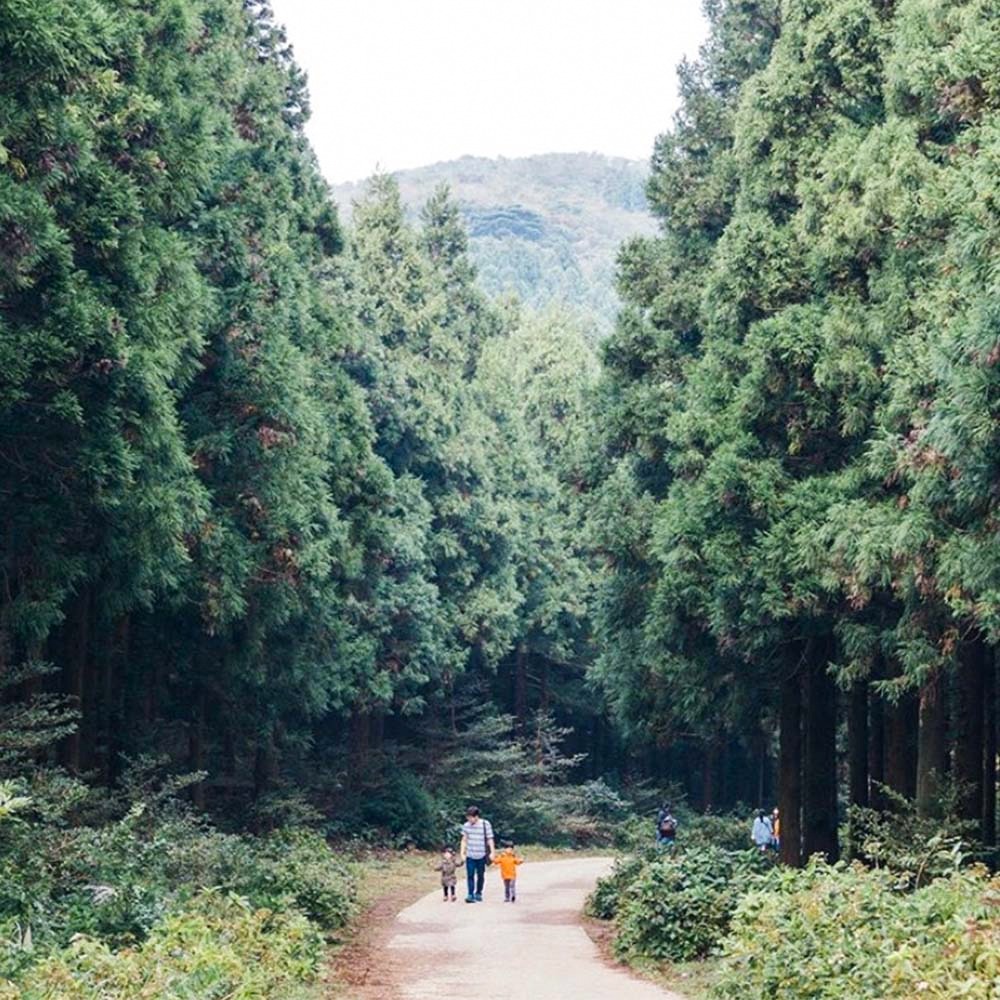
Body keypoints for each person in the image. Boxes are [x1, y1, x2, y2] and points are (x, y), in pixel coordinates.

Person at [459, 805, 495, 902]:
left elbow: (490, 839)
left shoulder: (485, 824)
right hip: (470, 855)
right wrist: (462, 853)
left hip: (482, 855)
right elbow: (464, 840)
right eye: (468, 817)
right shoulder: (466, 826)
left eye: (471, 817)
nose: (469, 820)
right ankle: (470, 894)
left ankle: (478, 892)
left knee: (480, 875)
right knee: (470, 875)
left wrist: (492, 852)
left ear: (476, 816)